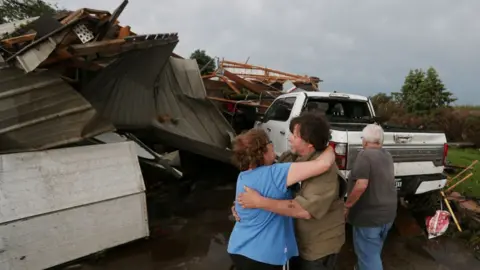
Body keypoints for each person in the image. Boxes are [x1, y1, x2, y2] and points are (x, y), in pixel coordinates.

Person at [233, 112, 346, 270]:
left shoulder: (325, 173)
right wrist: (240, 207)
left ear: (309, 143)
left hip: (317, 248)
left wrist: (258, 202)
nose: (289, 137)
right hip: (295, 243)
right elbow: (265, 182)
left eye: (295, 134)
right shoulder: (290, 157)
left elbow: (304, 210)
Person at [344, 124, 397, 270]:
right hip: (388, 216)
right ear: (380, 141)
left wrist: (347, 206)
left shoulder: (364, 155)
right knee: (373, 252)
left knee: (369, 258)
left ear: (365, 141)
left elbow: (361, 185)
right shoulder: (387, 155)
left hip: (369, 218)